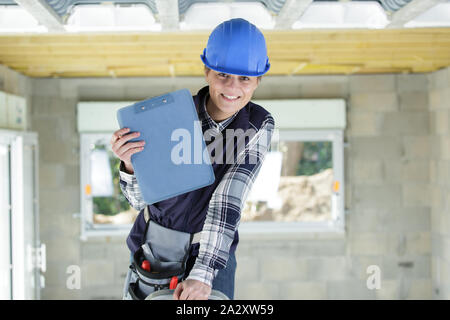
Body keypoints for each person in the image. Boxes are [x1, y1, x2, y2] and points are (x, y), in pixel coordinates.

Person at [111, 18, 274, 300]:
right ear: (207, 71)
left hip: (211, 254)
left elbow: (227, 201)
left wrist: (202, 273)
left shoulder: (257, 125)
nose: (233, 87)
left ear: (258, 80)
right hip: (155, 248)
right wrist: (129, 166)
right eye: (223, 74)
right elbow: (139, 201)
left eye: (245, 78)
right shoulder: (172, 116)